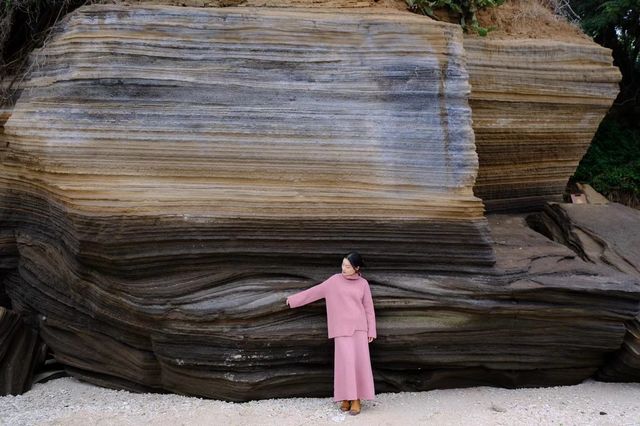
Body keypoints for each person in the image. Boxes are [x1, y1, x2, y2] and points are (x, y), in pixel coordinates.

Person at [286, 251, 376, 415]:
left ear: (356, 268)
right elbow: (314, 292)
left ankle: (356, 399)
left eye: (348, 266)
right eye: (343, 265)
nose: (344, 268)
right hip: (341, 330)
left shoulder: (363, 284)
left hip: (359, 329)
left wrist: (372, 330)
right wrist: (293, 300)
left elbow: (369, 308)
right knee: (345, 364)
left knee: (359, 364)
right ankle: (346, 397)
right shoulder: (334, 281)